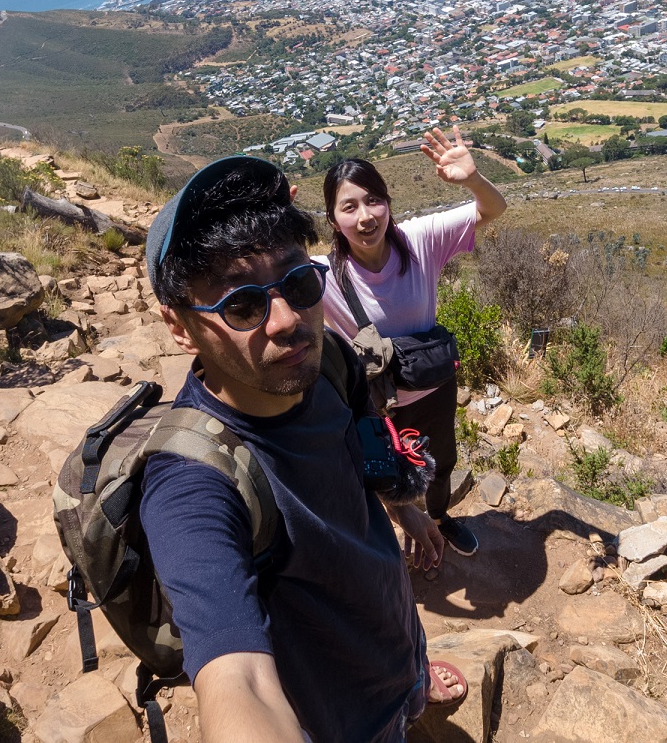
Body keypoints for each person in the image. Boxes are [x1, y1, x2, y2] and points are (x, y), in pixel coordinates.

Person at [140, 155, 467, 742]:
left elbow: (366, 435)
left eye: (297, 283)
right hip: (342, 716)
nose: (287, 321)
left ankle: (415, 685)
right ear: (179, 325)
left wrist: (406, 509)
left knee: (412, 689)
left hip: (392, 624)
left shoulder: (332, 361)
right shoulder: (191, 485)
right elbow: (238, 679)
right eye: (242, 305)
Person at [320, 126, 508, 558]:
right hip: (377, 404)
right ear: (332, 220)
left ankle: (440, 518)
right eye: (349, 207)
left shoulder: (421, 239)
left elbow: (493, 208)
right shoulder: (323, 276)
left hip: (434, 388)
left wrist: (473, 179)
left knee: (440, 462)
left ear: (388, 203)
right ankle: (396, 529)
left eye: (374, 200)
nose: (366, 217)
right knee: (382, 470)